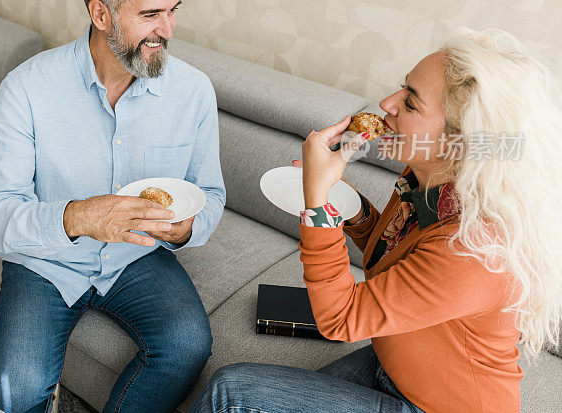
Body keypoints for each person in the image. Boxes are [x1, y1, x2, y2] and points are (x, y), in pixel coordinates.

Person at [191, 28, 562, 412]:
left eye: (411, 103)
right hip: (393, 364)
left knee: (229, 391)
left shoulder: (474, 251)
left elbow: (341, 318)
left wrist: (318, 204)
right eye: (403, 88)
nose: (387, 102)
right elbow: (393, 257)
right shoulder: (425, 182)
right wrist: (347, 206)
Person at [0, 0, 226, 413]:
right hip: (45, 260)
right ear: (101, 14)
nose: (168, 29)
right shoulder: (26, 89)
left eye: (173, 10)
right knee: (16, 390)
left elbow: (209, 193)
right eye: (151, 15)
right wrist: (81, 218)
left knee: (188, 346)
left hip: (138, 257)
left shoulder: (193, 92)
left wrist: (185, 226)